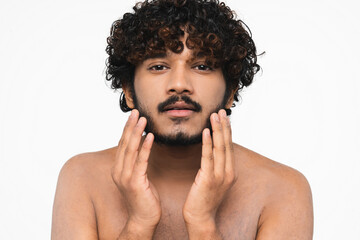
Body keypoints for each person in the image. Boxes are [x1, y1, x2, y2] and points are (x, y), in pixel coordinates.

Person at [51, 0, 313, 239]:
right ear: (129, 92)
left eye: (202, 66)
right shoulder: (82, 178)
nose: (179, 85)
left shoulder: (284, 189)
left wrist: (202, 223)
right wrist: (139, 223)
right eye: (158, 66)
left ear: (231, 91)